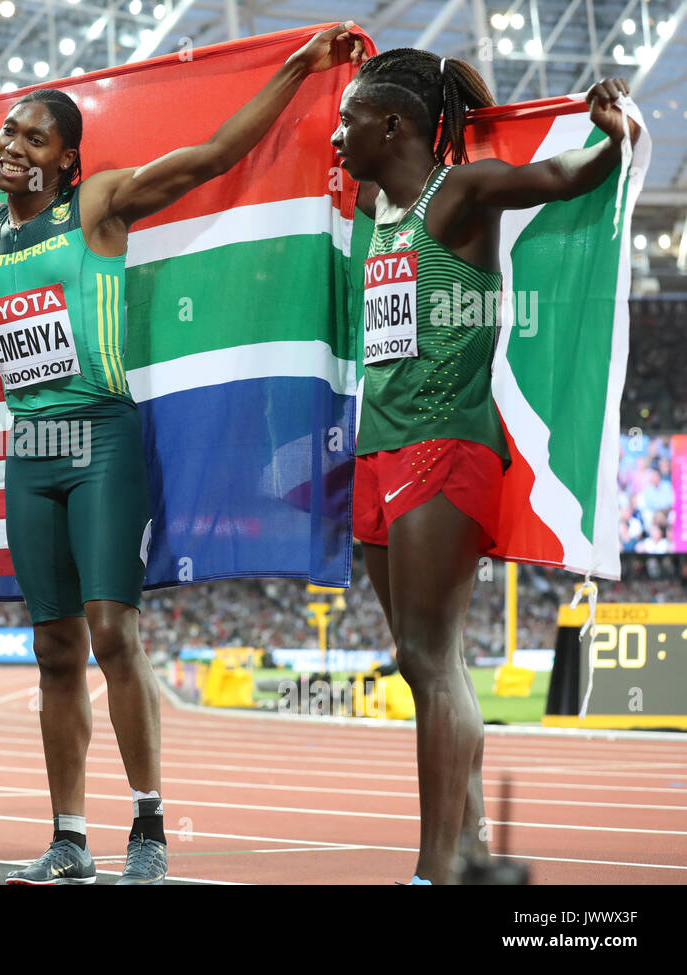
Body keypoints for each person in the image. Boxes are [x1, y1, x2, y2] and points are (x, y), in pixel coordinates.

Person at [0, 22, 366, 884]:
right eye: (9, 132)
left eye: (33, 137)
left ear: (66, 162)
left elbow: (210, 156)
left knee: (111, 631)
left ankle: (151, 826)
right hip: (30, 452)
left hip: (102, 438)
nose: (13, 146)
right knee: (52, 649)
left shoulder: (98, 209)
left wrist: (294, 71)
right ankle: (68, 837)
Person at [331, 50, 639, 883]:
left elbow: (557, 176)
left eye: (350, 119)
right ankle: (470, 850)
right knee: (419, 659)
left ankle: (434, 869)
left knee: (433, 658)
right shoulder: (373, 205)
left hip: (446, 443)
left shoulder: (459, 195)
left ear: (392, 125)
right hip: (377, 448)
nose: (337, 135)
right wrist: (328, 70)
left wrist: (612, 140)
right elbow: (307, 153)